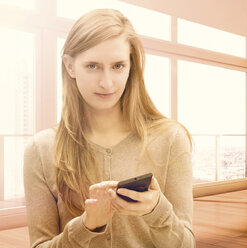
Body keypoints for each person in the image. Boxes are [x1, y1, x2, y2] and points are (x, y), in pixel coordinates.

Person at [23, 8, 195, 247]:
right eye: (92, 66)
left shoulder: (171, 138)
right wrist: (86, 227)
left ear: (131, 66)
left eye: (118, 66)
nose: (107, 83)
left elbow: (186, 244)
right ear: (70, 66)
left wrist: (156, 210)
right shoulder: (40, 149)